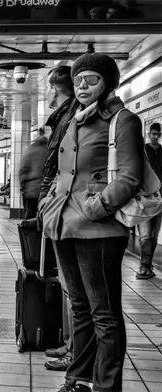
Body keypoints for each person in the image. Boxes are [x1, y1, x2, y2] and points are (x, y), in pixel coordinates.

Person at [39, 53, 144, 392]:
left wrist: (95, 208)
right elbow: (59, 172)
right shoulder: (74, 121)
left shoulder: (122, 120)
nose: (82, 86)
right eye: (78, 80)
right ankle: (77, 380)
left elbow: (130, 177)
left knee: (105, 314)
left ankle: (106, 386)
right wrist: (47, 205)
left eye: (91, 80)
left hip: (99, 230)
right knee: (80, 307)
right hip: (64, 225)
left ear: (108, 83)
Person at [39, 65, 80, 372]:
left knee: (76, 293)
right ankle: (72, 347)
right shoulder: (65, 118)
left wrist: (50, 204)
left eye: (50, 88)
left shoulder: (70, 119)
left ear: (57, 89)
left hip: (70, 212)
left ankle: (76, 356)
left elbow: (63, 171)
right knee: (72, 291)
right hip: (62, 210)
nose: (48, 93)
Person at [136, 122, 162, 279]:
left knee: (153, 234)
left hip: (160, 199)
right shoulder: (143, 151)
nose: (155, 137)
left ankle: (147, 264)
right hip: (145, 198)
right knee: (145, 234)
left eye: (158, 134)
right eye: (153, 134)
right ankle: (144, 266)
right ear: (149, 133)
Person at [19, 128, 48, 219]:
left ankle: (28, 231)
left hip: (31, 188)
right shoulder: (50, 149)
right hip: (48, 187)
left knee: (30, 213)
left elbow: (23, 169)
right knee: (45, 213)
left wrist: (22, 185)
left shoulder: (30, 150)